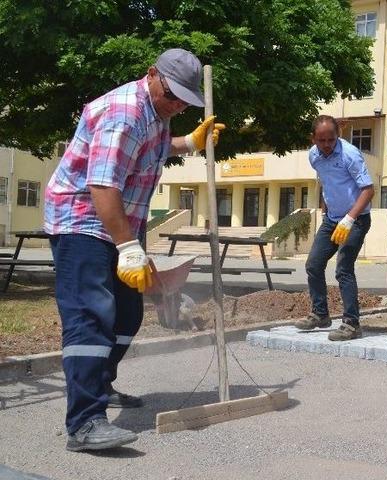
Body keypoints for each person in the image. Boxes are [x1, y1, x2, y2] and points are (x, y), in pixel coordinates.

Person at [43, 48, 226, 451]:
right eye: (171, 94)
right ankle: (85, 423)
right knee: (91, 314)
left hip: (119, 222)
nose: (176, 104)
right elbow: (103, 186)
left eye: (184, 100)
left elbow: (153, 149)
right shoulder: (124, 113)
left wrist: (189, 143)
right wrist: (129, 248)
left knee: (127, 313)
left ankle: (99, 385)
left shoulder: (156, 115)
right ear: (151, 76)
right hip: (83, 221)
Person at [295, 115, 374, 341]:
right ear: (314, 139)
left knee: (343, 269)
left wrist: (349, 218)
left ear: (337, 136)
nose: (328, 145)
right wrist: (325, 209)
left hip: (356, 219)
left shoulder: (350, 155)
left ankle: (351, 324)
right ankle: (320, 314)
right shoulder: (314, 156)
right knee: (314, 265)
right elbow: (327, 182)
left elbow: (368, 190)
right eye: (322, 141)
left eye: (331, 139)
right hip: (332, 219)